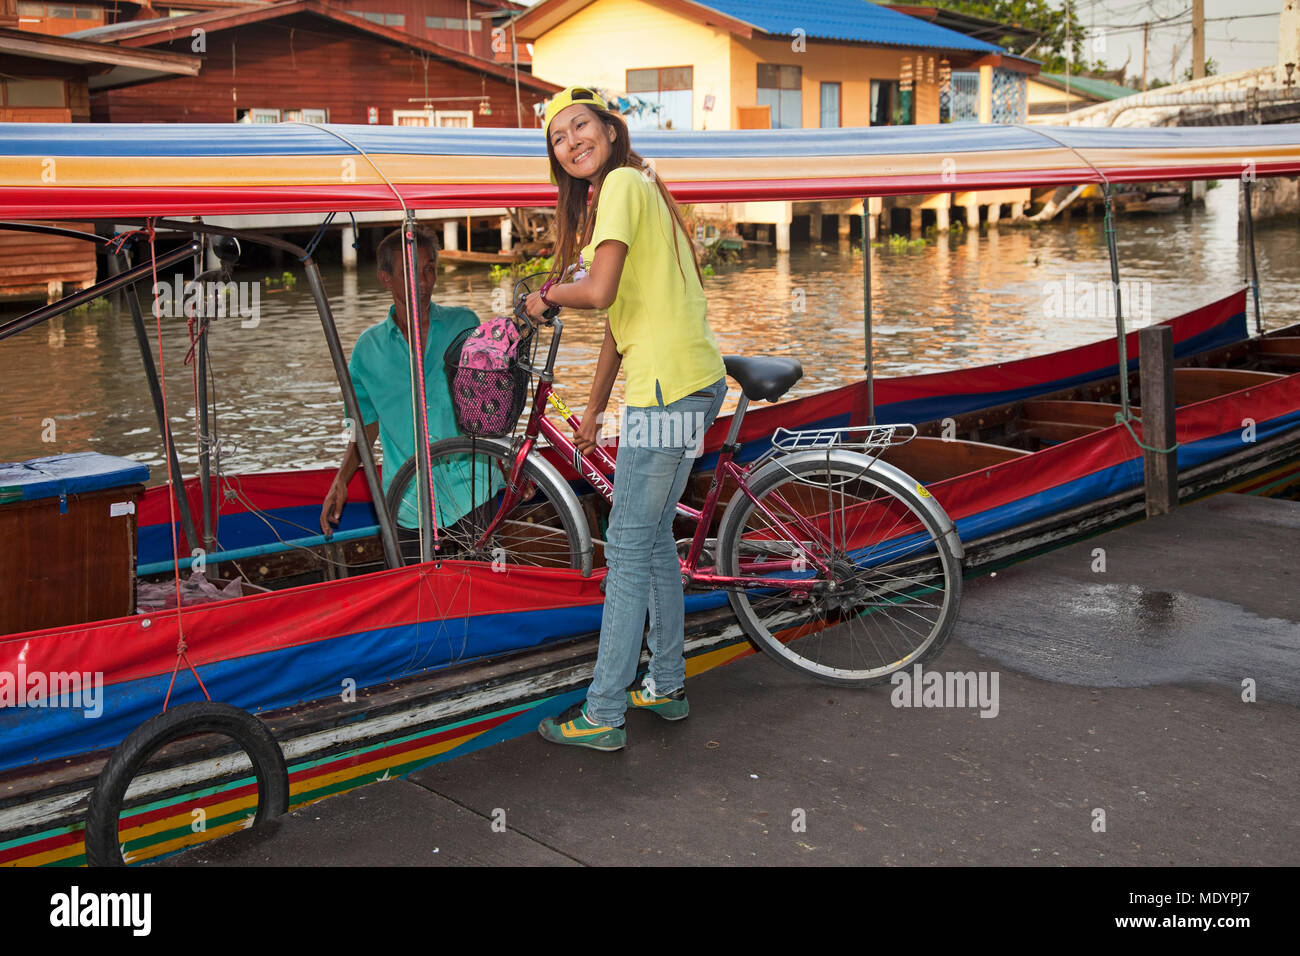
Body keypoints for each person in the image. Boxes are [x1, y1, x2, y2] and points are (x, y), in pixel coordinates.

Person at [528, 88, 727, 752]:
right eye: (559, 136)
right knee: (653, 543)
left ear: (610, 130)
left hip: (667, 392)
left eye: (580, 125)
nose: (572, 140)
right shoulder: (642, 185)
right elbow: (622, 318)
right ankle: (665, 683)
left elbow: (599, 293)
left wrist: (543, 296)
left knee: (626, 549)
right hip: (695, 380)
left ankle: (603, 712)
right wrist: (592, 407)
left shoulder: (617, 185)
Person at [320, 226, 482, 561]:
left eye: (429, 269)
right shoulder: (368, 350)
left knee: (490, 592)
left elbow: (488, 402)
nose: (424, 283)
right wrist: (341, 480)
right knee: (418, 600)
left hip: (474, 489)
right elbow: (364, 427)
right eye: (411, 272)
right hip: (409, 502)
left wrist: (510, 463)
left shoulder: (464, 324)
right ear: (385, 278)